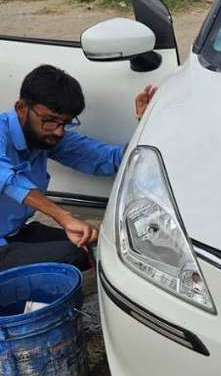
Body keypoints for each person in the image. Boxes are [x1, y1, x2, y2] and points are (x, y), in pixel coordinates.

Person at [0, 65, 156, 277]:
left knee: (98, 245)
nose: (58, 131)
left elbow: (109, 159)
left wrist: (146, 125)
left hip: (14, 233)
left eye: (65, 123)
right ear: (21, 108)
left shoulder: (47, 136)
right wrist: (64, 217)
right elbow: (7, 179)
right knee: (71, 257)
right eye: (49, 121)